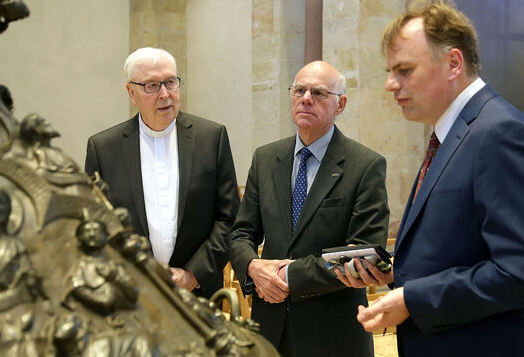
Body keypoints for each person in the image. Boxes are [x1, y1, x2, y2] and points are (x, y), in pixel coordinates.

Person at [345, 0, 524, 357]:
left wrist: (414, 298)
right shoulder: (454, 133)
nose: (390, 85)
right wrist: (398, 274)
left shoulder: (500, 133)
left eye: (404, 70)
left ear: (453, 63)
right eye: (389, 72)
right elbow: (464, 247)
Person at [228, 61, 390, 356]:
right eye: (299, 90)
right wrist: (252, 267)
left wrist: (289, 276)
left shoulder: (364, 165)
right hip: (268, 330)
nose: (305, 98)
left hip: (332, 336)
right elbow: (241, 234)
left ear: (340, 104)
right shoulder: (266, 159)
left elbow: (364, 254)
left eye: (318, 92)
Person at [85, 47, 240, 299]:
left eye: (170, 82)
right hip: (130, 296)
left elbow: (229, 218)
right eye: (151, 86)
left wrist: (193, 275)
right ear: (131, 92)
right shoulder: (103, 148)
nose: (165, 94)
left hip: (198, 295)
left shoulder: (211, 138)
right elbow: (96, 225)